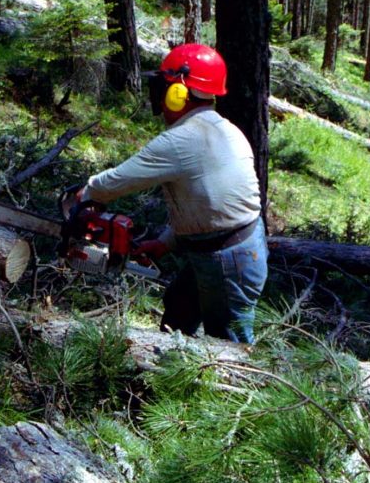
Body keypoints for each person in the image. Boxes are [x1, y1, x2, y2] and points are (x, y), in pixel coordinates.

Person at [77, 43, 267, 343]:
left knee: (230, 346)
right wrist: (165, 242)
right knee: (177, 316)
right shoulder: (226, 130)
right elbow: (213, 204)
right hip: (228, 248)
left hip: (227, 257)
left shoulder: (182, 139)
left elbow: (117, 181)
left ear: (178, 94)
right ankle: (169, 379)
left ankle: (236, 387)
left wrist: (85, 195)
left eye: (165, 88)